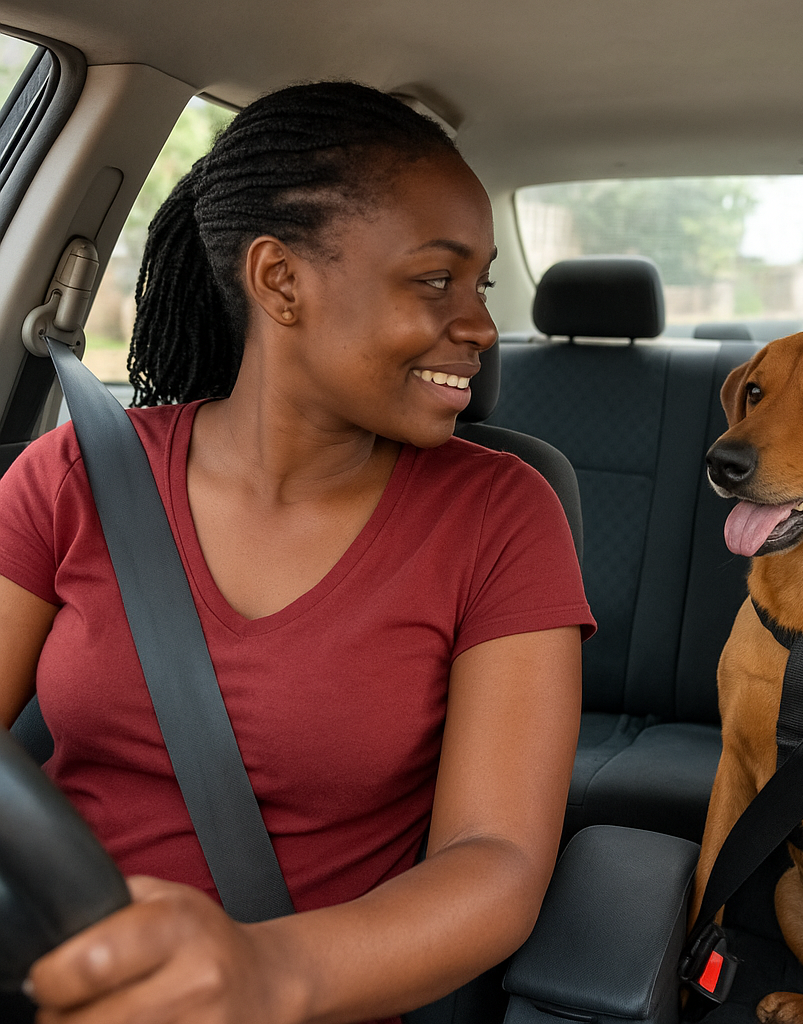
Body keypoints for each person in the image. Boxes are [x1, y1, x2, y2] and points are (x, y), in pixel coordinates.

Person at [0, 81, 594, 1024]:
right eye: (437, 280)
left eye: (479, 284)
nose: (482, 324)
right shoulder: (72, 472)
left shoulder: (501, 514)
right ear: (280, 281)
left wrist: (262, 975)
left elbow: (497, 860)